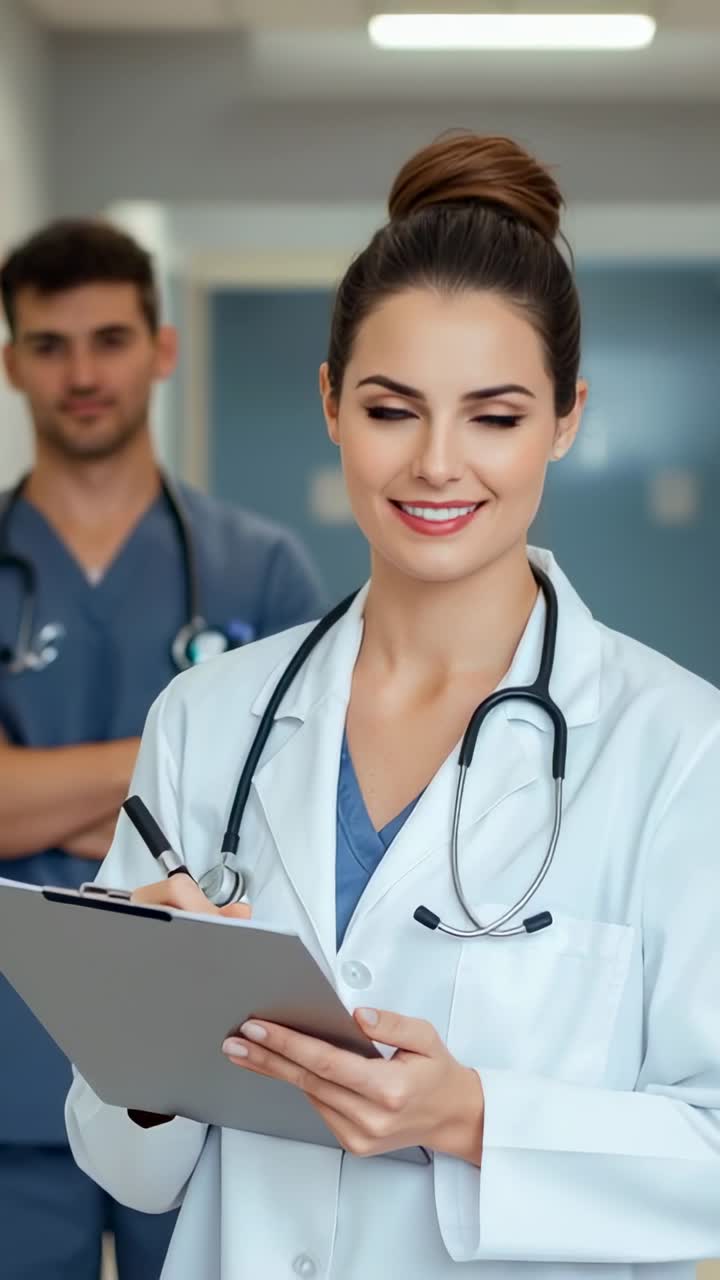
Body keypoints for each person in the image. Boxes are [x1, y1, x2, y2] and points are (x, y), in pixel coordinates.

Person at [66, 134, 720, 1279]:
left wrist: (468, 1113)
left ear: (566, 418)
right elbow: (122, 1160)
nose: (436, 462)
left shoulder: (680, 747)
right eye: (391, 408)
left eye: (496, 415)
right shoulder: (207, 719)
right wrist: (154, 1040)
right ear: (331, 404)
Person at [0, 218, 325, 1279]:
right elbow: (218, 806)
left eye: (109, 338)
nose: (82, 372)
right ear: (11, 363)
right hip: (11, 1068)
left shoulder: (261, 570)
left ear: (162, 348)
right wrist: (170, 768)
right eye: (49, 345)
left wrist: (36, 791)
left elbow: (294, 807)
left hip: (200, 1068)